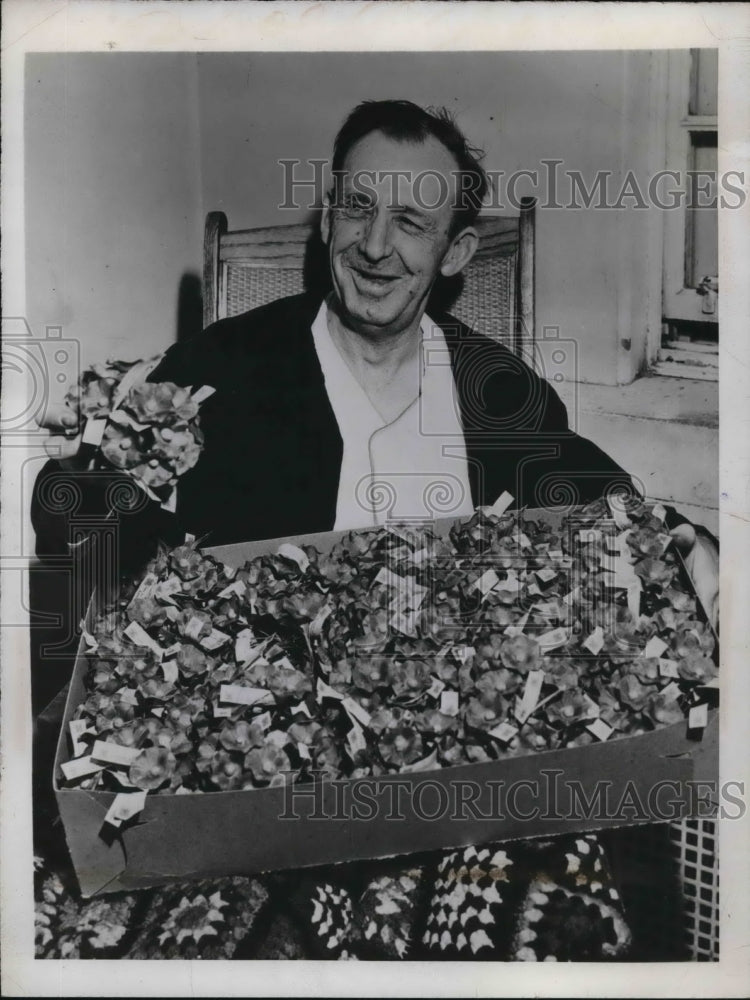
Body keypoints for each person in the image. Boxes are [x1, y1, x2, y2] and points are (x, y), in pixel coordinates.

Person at [32, 100, 719, 959]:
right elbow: (93, 529)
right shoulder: (222, 371)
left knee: (553, 925)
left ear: (455, 251)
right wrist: (94, 467)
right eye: (355, 207)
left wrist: (694, 549)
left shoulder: (498, 393)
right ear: (327, 219)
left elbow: (603, 509)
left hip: (454, 779)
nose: (374, 245)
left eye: (410, 222)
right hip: (262, 784)